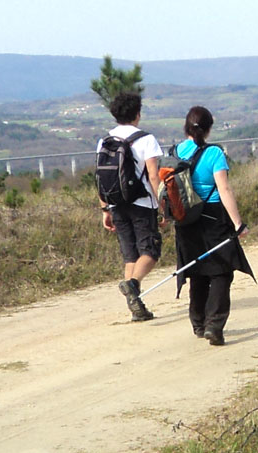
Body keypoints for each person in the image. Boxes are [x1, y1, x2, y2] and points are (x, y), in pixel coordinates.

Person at [172, 106, 253, 346]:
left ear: (186, 127)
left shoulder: (176, 152)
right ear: (208, 129)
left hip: (185, 218)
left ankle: (198, 323)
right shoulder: (215, 153)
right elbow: (224, 189)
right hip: (213, 216)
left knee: (196, 269)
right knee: (221, 270)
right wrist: (238, 223)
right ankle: (214, 325)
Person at [100, 92, 164, 322]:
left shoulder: (105, 141)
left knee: (130, 256)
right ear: (137, 113)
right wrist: (162, 205)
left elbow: (101, 177)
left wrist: (105, 209)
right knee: (150, 252)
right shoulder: (146, 139)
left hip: (116, 204)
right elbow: (154, 176)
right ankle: (133, 285)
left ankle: (136, 308)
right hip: (142, 203)